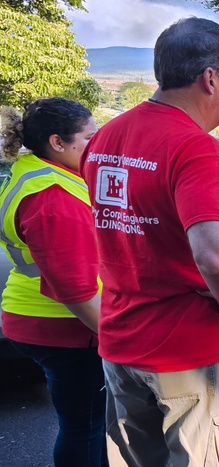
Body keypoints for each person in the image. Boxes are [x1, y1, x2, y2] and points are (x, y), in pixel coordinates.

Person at [82, 17, 219, 465]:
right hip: (191, 351)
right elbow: (217, 257)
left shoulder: (106, 137)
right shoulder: (194, 147)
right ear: (210, 79)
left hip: (122, 343)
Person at [0, 99, 105, 466]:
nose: (97, 146)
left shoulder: (37, 170)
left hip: (38, 316)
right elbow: (75, 290)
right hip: (64, 327)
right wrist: (115, 339)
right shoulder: (52, 198)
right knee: (85, 427)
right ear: (58, 142)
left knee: (84, 423)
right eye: (89, 138)